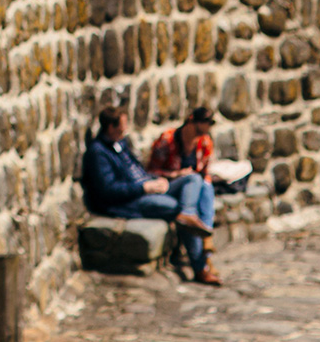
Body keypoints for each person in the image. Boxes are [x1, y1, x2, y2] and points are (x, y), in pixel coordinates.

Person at [80, 106, 221, 285]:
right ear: (111, 127)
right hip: (132, 199)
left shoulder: (120, 144)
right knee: (175, 208)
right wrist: (145, 187)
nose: (126, 129)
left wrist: (159, 179)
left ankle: (188, 214)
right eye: (123, 125)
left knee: (193, 180)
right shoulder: (98, 153)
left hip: (150, 185)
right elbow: (108, 191)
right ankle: (200, 266)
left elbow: (140, 171)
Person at [148, 106, 220, 246]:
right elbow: (151, 171)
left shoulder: (205, 142)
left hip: (193, 190)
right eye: (206, 122)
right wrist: (176, 174)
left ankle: (204, 236)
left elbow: (205, 173)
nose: (208, 126)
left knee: (205, 186)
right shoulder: (167, 140)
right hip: (169, 186)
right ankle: (202, 235)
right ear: (192, 121)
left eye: (211, 123)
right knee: (194, 179)